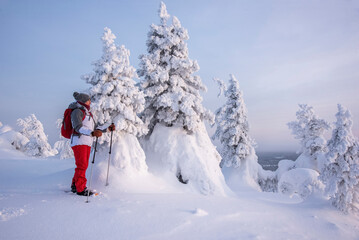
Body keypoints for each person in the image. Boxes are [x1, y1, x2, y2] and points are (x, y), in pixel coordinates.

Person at [69, 92, 115, 196]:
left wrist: (107, 129)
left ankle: (75, 185)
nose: (90, 102)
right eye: (88, 100)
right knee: (82, 165)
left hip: (86, 142)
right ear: (84, 101)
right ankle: (80, 189)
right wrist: (91, 133)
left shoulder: (87, 112)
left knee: (82, 165)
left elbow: (93, 129)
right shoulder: (77, 111)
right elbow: (78, 127)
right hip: (79, 141)